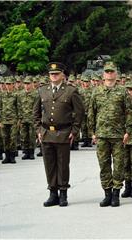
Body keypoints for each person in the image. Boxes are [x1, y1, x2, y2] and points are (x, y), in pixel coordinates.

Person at [34, 62, 84, 207]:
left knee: (62, 164)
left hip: (63, 132)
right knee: (49, 164)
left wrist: (74, 131)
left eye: (56, 74)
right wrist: (38, 130)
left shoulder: (71, 91)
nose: (54, 76)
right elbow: (35, 112)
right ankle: (52, 193)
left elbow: (79, 112)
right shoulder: (42, 90)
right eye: (51, 74)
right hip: (46, 132)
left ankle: (63, 193)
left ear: (62, 75)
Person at [88, 62, 132, 207]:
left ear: (116, 74)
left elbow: (129, 112)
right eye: (107, 72)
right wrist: (92, 132)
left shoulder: (122, 92)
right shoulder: (97, 91)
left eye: (111, 72)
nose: (109, 74)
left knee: (119, 165)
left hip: (118, 134)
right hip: (101, 134)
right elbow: (91, 112)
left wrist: (128, 131)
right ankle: (107, 193)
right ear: (103, 75)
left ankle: (116, 194)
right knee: (104, 165)